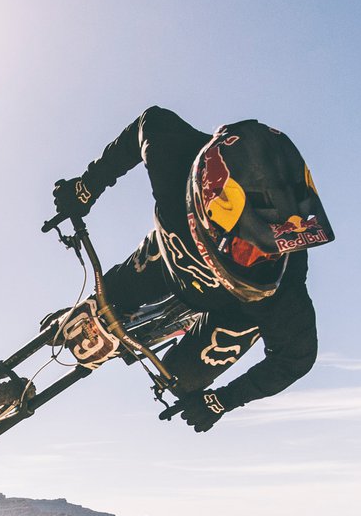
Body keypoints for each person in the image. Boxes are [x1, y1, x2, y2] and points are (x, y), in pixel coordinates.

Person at [50, 107, 331, 432]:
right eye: (247, 245)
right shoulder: (178, 158)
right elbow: (148, 123)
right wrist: (87, 186)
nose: (262, 261)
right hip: (174, 255)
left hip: (235, 311)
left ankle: (176, 322)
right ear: (207, 207)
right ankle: (115, 303)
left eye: (276, 250)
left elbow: (296, 358)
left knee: (179, 379)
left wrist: (223, 400)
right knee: (110, 296)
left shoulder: (286, 287)